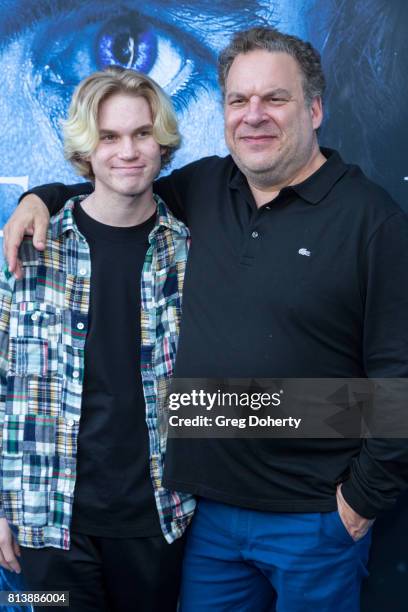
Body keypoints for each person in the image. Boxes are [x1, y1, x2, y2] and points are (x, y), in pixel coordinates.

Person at [5, 27, 408, 612]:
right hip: (195, 521)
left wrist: (359, 503)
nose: (254, 116)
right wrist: (38, 197)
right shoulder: (207, 188)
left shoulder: (372, 220)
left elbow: (397, 379)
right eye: (239, 100)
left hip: (307, 519)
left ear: (315, 109)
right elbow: (116, 185)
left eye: (275, 99)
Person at [0, 66, 194, 611]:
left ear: (162, 143)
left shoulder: (189, 247)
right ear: (87, 148)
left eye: (141, 133)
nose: (127, 151)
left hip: (157, 523)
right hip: (46, 527)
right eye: (109, 136)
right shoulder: (31, 246)